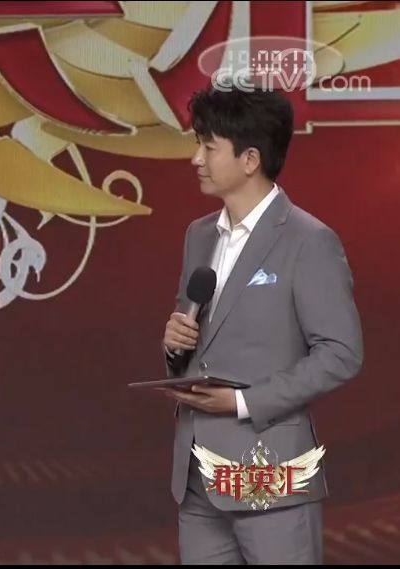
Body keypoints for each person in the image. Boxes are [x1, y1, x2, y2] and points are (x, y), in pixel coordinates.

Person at [160, 85, 363, 564]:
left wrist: (243, 402)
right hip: (198, 476)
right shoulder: (198, 235)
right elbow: (195, 343)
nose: (196, 159)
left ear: (250, 159)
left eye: (208, 147)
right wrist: (173, 346)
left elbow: (341, 353)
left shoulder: (309, 241)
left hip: (268, 471)